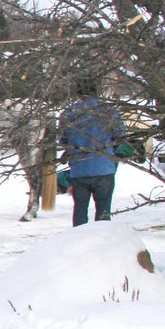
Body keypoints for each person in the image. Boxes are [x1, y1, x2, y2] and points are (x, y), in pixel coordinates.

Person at [58, 79, 127, 227]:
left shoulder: (68, 113)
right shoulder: (109, 111)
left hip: (79, 170)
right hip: (104, 168)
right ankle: (101, 243)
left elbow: (63, 139)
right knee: (103, 211)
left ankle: (79, 240)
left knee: (80, 209)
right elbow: (120, 135)